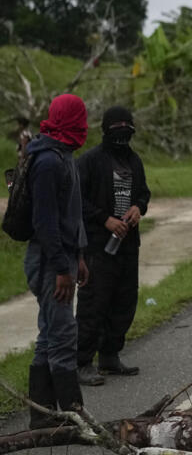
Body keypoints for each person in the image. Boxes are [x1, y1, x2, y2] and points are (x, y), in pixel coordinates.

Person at [23, 94, 90, 429]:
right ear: (69, 120)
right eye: (80, 118)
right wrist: (62, 268)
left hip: (63, 257)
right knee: (63, 336)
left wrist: (78, 256)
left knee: (50, 334)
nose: (85, 125)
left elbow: (70, 216)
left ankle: (44, 417)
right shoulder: (49, 162)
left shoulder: (64, 156)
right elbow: (45, 223)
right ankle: (73, 415)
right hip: (50, 261)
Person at [75, 106, 151, 385]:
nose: (122, 134)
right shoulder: (90, 161)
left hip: (128, 245)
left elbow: (144, 192)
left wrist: (138, 207)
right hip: (98, 246)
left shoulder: (134, 160)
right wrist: (104, 219)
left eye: (126, 128)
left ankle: (110, 356)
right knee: (94, 303)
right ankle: (82, 361)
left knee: (124, 302)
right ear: (106, 131)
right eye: (117, 128)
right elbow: (77, 201)